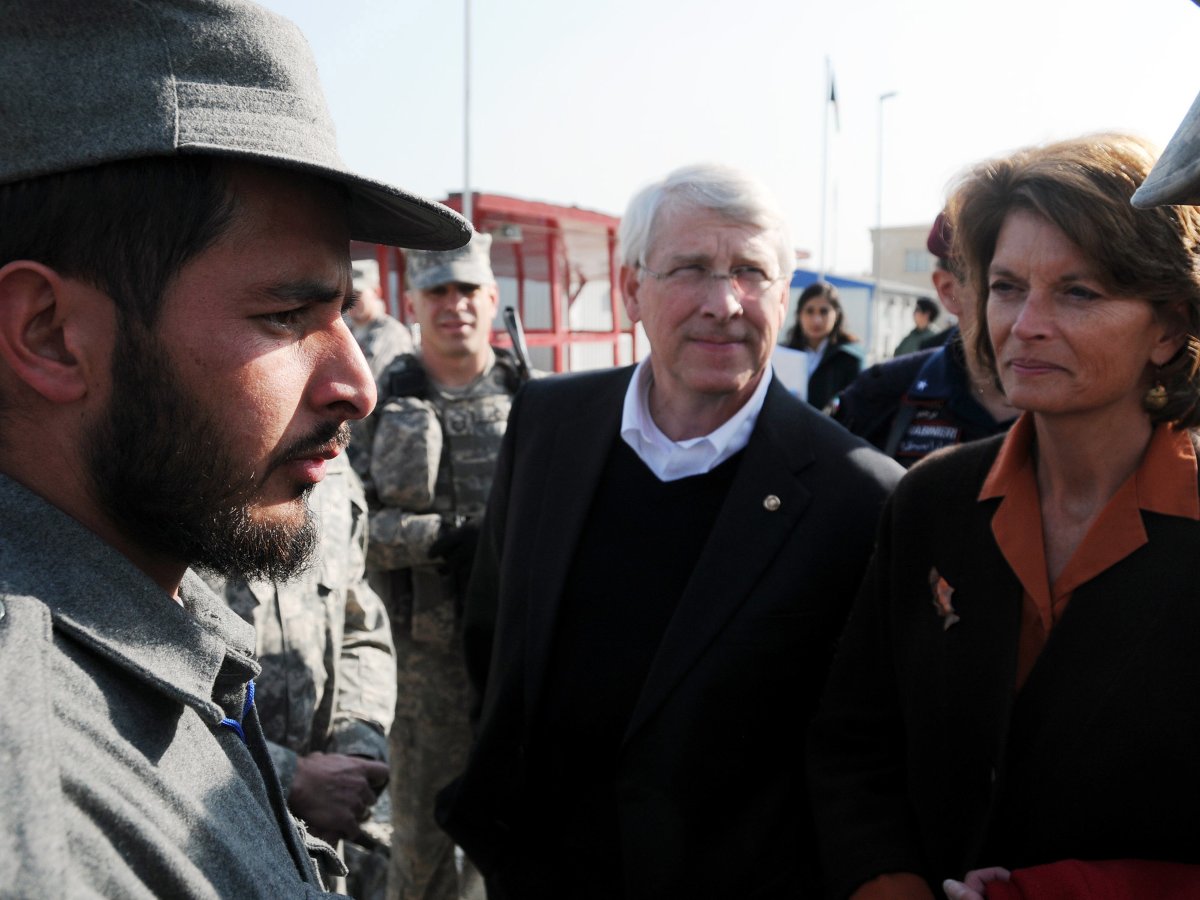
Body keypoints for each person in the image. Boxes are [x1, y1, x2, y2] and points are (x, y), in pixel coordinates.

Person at [0, 2, 469, 897]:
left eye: (341, 313)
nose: (357, 385)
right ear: (53, 335)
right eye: (286, 315)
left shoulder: (147, 611)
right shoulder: (42, 805)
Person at [437, 163, 903, 899]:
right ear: (631, 290)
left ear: (784, 295)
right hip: (537, 873)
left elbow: (862, 745)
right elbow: (494, 637)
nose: (724, 304)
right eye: (692, 268)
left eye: (751, 272)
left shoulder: (859, 494)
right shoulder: (549, 423)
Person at [808, 133, 1200, 900]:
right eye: (1007, 286)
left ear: (1170, 328)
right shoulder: (929, 500)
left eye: (1078, 292)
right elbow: (853, 742)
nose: (1027, 323)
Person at [367, 231, 521, 900]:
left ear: (492, 298)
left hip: (516, 654)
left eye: (467, 290)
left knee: (513, 840)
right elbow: (344, 527)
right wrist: (442, 538)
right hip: (423, 661)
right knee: (424, 851)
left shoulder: (535, 400)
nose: (454, 304)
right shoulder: (377, 399)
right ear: (412, 301)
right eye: (438, 291)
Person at [204, 451, 396, 897]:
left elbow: (357, 619)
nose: (359, 397)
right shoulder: (187, 455)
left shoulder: (333, 463)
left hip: (323, 839)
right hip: (214, 829)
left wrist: (358, 746)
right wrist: (292, 777)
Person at [830, 212, 1017, 466]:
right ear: (949, 290)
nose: (1032, 315)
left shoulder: (1082, 404)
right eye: (1005, 286)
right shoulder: (882, 395)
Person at [782, 281, 864, 409]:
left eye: (824, 312)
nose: (817, 320)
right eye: (809, 311)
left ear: (836, 315)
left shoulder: (850, 357)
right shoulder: (783, 355)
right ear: (799, 314)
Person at [350, 259, 415, 380]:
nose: (351, 300)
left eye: (357, 293)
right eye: (347, 294)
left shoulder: (393, 334)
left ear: (376, 292)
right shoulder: (346, 333)